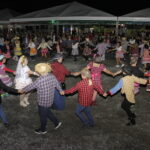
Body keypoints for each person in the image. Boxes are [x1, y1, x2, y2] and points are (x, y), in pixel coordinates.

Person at [22, 63, 63, 134]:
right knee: (46, 112)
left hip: (42, 102)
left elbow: (31, 86)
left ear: (39, 72)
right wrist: (61, 90)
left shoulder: (39, 80)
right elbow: (57, 84)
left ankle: (43, 129)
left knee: (42, 115)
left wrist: (22, 90)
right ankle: (57, 122)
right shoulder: (52, 76)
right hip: (50, 99)